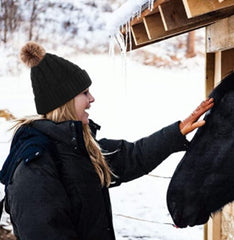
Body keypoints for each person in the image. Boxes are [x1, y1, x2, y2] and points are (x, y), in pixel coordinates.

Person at [0, 42, 214, 240]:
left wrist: (176, 133)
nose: (92, 99)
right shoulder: (35, 166)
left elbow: (133, 157)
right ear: (63, 101)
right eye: (85, 93)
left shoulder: (79, 148)